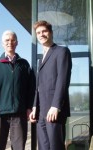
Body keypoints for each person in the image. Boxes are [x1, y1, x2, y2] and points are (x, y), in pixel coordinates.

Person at [0, 30, 35, 150]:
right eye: (7, 40)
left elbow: (30, 88)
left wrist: (29, 107)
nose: (10, 42)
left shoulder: (24, 64)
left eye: (12, 40)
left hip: (19, 113)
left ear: (17, 43)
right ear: (2, 43)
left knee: (19, 147)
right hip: (0, 113)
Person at [29, 20, 72, 150]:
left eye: (44, 31)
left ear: (51, 33)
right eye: (38, 33)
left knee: (55, 146)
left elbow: (63, 80)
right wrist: (35, 106)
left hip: (54, 111)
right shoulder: (41, 58)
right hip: (41, 111)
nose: (41, 34)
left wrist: (56, 106)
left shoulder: (61, 51)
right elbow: (39, 85)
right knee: (43, 147)